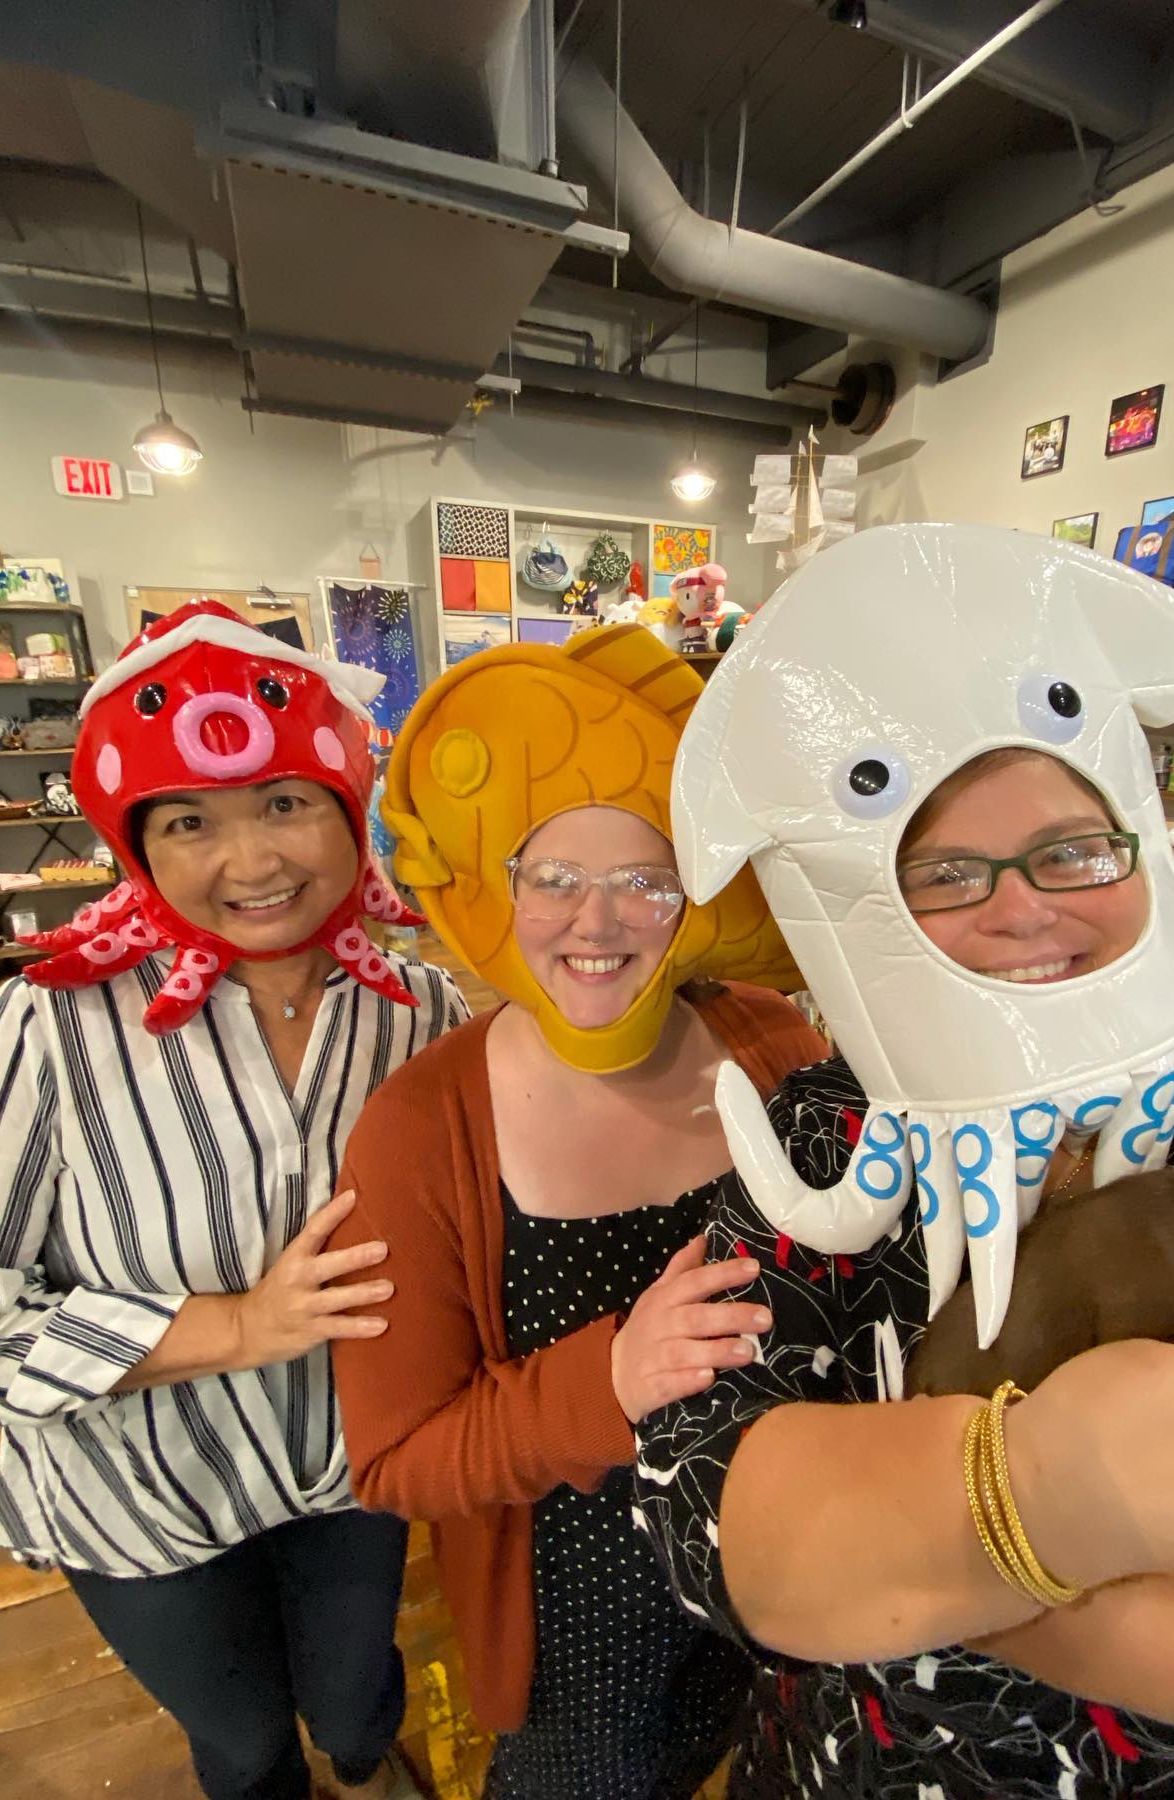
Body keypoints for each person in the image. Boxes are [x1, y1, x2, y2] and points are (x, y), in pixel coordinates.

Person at [635, 525, 1174, 1797]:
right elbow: (706, 1498)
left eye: (1074, 850)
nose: (1024, 908)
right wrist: (1045, 1495)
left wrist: (954, 1572)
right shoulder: (822, 1136)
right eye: (944, 874)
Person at [0, 602, 468, 1800]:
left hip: (351, 1468)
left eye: (285, 803)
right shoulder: (51, 1025)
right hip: (142, 1495)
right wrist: (234, 1326)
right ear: (136, 843)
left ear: (349, 805)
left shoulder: (419, 1013)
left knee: (356, 1702)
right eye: (189, 821)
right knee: (243, 1742)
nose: (255, 862)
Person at [328, 625, 826, 1799]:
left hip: (789, 1566)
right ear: (504, 887)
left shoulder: (769, 1040)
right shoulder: (423, 1130)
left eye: (645, 881)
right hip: (586, 1632)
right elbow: (396, 1460)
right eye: (554, 878)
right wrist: (609, 1381)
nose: (594, 924)